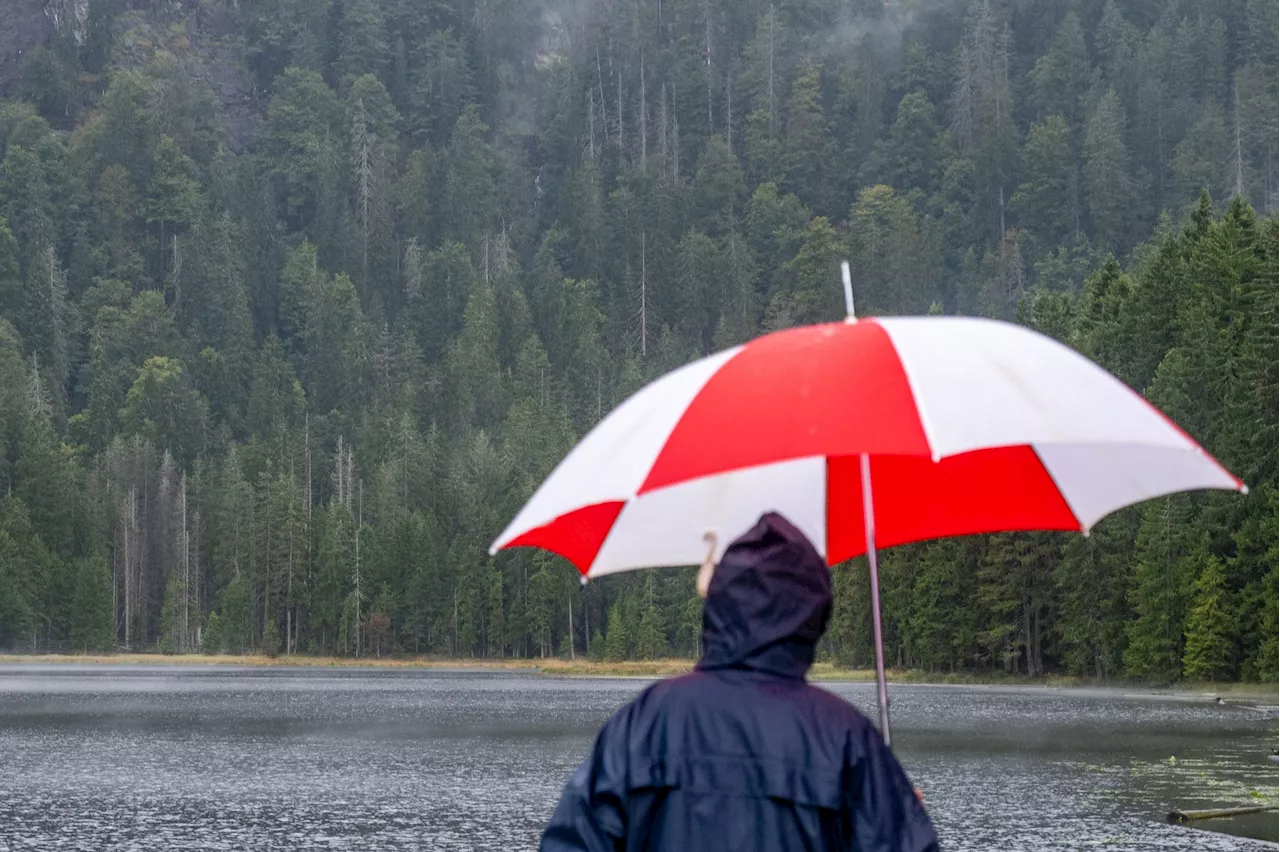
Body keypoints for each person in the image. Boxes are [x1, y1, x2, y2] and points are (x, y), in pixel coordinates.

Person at [541, 512, 939, 852]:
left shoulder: (646, 721)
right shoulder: (847, 738)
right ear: (814, 614)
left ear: (718, 603)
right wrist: (898, 813)